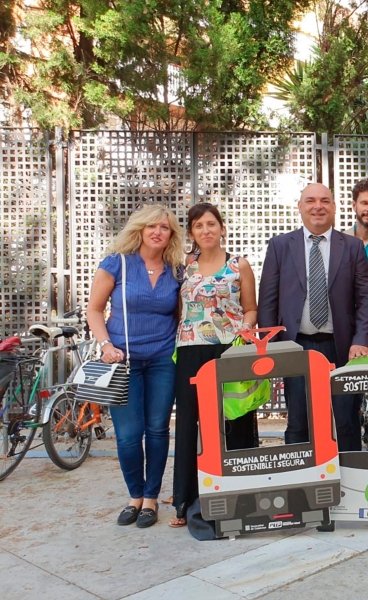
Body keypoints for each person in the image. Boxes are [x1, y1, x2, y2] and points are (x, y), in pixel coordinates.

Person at [258, 183, 368, 452]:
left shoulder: (352, 247)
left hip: (343, 349)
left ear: (334, 208)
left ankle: (349, 486)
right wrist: (273, 348)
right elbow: (267, 301)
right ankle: (300, 486)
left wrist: (361, 340)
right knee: (299, 422)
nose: (318, 206)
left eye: (325, 200)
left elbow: (367, 299)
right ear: (300, 207)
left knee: (346, 420)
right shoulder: (280, 246)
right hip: (295, 347)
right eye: (310, 200)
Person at [85, 205, 183, 529]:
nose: (158, 232)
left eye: (164, 228)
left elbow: (181, 315)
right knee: (128, 435)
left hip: (161, 360)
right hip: (122, 361)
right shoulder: (117, 263)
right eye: (151, 226)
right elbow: (95, 310)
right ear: (139, 230)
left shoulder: (176, 270)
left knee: (157, 429)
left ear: (171, 235)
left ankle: (151, 498)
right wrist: (105, 346)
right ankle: (134, 496)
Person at [169, 203, 258, 528]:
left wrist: (245, 329)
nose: (205, 230)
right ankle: (185, 501)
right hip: (190, 352)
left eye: (211, 224)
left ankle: (242, 495)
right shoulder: (183, 268)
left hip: (230, 350)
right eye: (198, 226)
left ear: (221, 227)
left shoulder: (239, 265)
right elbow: (180, 310)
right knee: (190, 424)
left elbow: (251, 309)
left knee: (235, 419)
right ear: (192, 233)